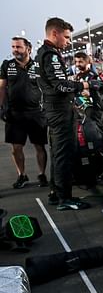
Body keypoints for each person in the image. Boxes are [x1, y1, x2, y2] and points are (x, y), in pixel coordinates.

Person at [36, 17, 92, 211]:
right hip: (59, 112)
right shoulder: (50, 55)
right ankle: (65, 198)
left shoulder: (42, 53)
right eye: (66, 37)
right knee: (64, 155)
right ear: (55, 34)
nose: (68, 42)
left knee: (57, 154)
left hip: (54, 111)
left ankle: (55, 193)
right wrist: (84, 85)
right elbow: (60, 85)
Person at [0, 36, 48, 189]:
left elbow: (47, 87)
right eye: (13, 47)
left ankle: (42, 174)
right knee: (16, 148)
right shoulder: (7, 65)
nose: (15, 50)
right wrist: (1, 107)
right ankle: (22, 175)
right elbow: (1, 87)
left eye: (18, 47)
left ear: (28, 48)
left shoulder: (38, 66)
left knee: (39, 146)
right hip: (15, 114)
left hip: (36, 113)